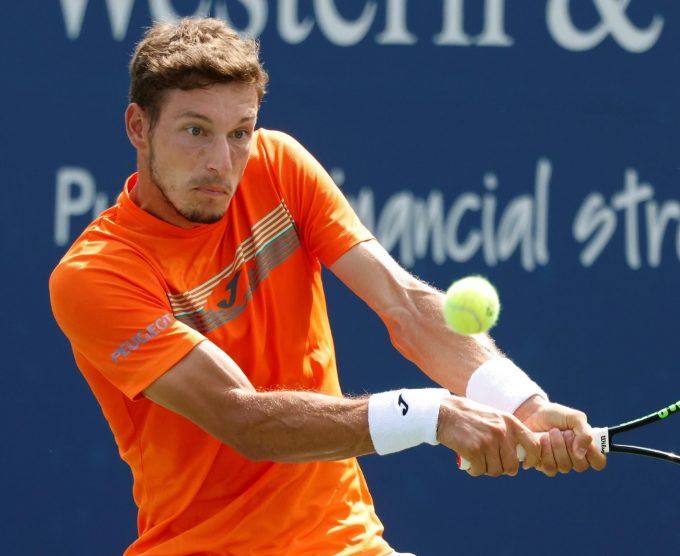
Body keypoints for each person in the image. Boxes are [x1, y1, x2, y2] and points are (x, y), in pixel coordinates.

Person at [49, 17, 605, 556]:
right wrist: (433, 414)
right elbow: (243, 418)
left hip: (348, 541)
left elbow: (406, 305)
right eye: (196, 130)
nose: (222, 162)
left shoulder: (277, 166)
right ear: (138, 127)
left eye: (240, 132)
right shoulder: (96, 276)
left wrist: (522, 403)